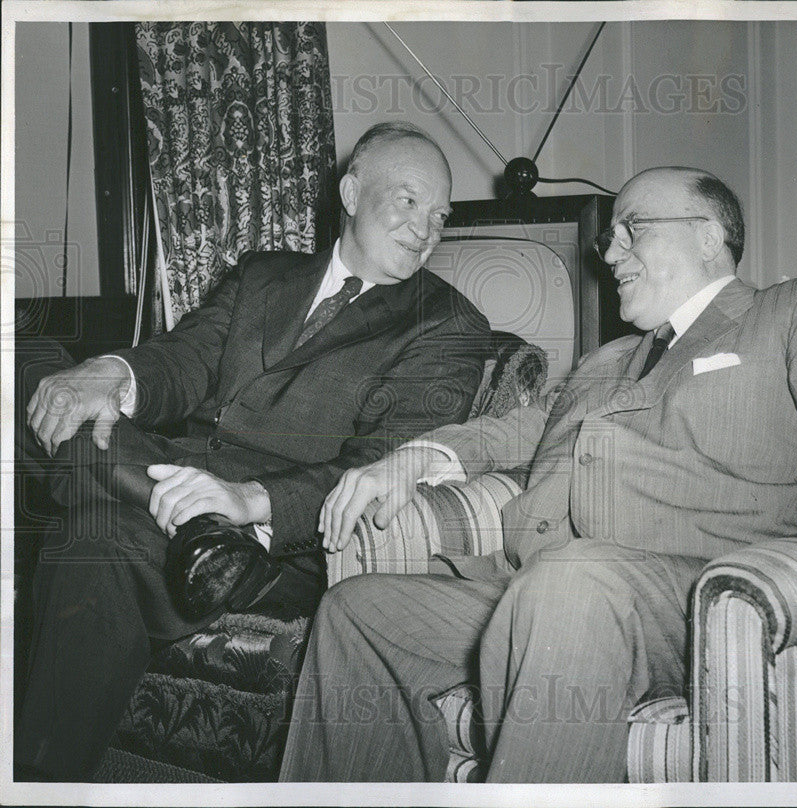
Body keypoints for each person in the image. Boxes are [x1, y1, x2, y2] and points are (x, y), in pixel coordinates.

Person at [278, 166, 797, 784]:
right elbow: (519, 428)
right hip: (540, 587)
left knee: (572, 581)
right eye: (610, 237)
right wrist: (414, 459)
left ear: (709, 236)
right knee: (356, 611)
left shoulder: (791, 310)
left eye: (633, 229)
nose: (609, 251)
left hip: (701, 594)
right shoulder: (607, 360)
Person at [14, 122, 491, 780]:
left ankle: (39, 783)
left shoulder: (448, 325)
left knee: (92, 538)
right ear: (352, 193)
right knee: (28, 360)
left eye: (440, 214)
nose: (427, 227)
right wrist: (110, 376)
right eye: (409, 200)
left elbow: (380, 461)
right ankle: (174, 508)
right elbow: (184, 361)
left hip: (273, 544)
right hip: (177, 476)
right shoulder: (264, 275)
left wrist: (244, 501)